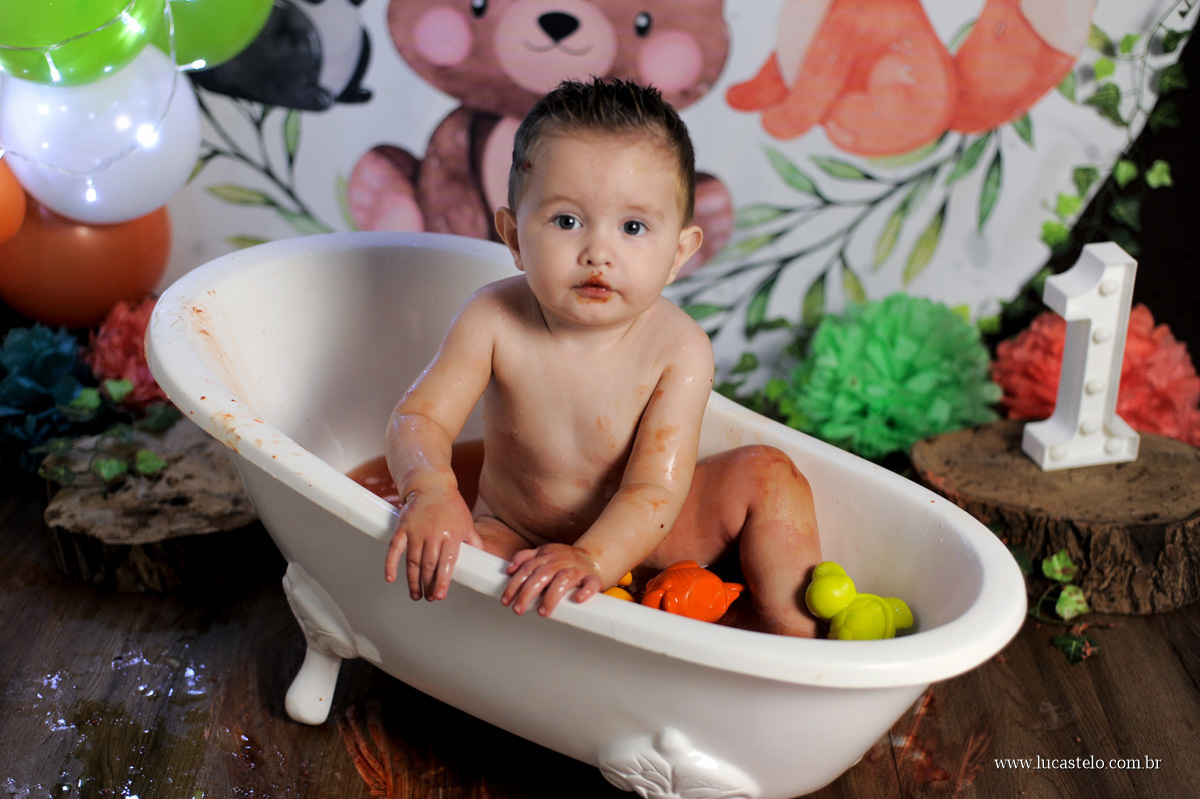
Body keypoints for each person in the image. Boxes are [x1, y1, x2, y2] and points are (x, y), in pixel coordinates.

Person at [383, 77, 821, 636]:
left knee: (770, 478)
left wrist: (593, 558)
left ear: (679, 253)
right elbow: (419, 418)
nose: (598, 253)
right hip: (516, 532)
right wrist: (432, 491)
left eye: (633, 227)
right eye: (567, 221)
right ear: (514, 237)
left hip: (654, 532)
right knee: (450, 565)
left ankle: (792, 639)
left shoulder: (678, 348)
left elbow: (655, 488)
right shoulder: (491, 318)